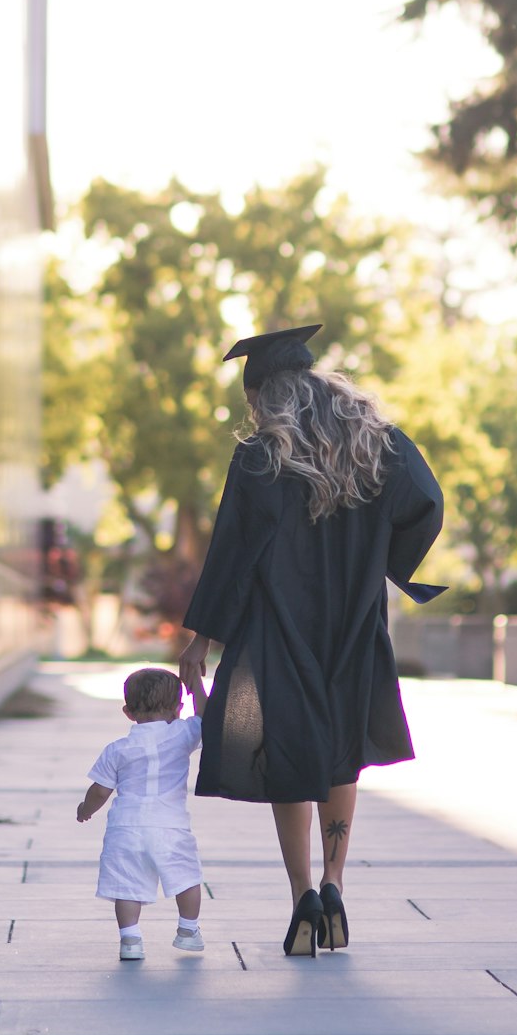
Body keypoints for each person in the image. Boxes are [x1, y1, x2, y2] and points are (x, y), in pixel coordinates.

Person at [177, 324, 445, 959]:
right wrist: (388, 561)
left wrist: (200, 640)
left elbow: (231, 553)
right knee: (341, 751)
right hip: (353, 621)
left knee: (288, 757)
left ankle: (301, 892)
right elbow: (427, 502)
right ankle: (334, 881)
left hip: (279, 628)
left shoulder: (260, 458)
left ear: (266, 396)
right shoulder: (380, 444)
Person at [77, 665, 208, 963]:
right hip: (171, 826)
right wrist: (196, 685)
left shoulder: (117, 749)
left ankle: (131, 940)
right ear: (178, 707)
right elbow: (208, 717)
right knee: (186, 877)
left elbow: (99, 791)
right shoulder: (184, 733)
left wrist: (86, 810)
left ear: (128, 711)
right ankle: (188, 931)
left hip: (126, 827)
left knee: (126, 884)